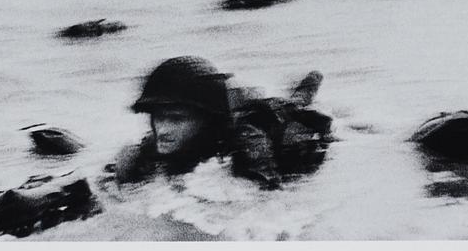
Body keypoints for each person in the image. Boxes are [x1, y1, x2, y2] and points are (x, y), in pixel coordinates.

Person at [105, 56, 333, 190]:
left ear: (207, 119)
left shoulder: (247, 141)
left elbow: (269, 203)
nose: (162, 129)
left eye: (176, 119)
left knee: (294, 107)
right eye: (158, 116)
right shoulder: (154, 144)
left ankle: (309, 84)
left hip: (289, 136)